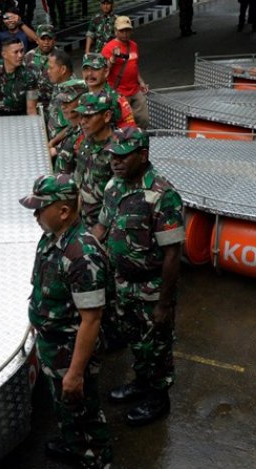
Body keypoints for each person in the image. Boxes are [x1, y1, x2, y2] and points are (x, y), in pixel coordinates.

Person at [20, 173, 112, 469]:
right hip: (52, 344)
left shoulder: (81, 254)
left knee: (83, 408)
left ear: (62, 211)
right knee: (64, 405)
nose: (35, 215)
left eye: (39, 209)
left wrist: (75, 372)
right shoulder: (52, 239)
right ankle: (73, 444)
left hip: (71, 350)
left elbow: (91, 319)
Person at [92, 127, 184, 427]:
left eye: (122, 156)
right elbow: (102, 228)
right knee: (135, 340)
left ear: (143, 156)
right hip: (122, 284)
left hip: (151, 287)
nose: (115, 162)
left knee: (156, 346)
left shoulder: (162, 195)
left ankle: (158, 399)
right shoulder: (113, 186)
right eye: (112, 156)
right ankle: (141, 383)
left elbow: (172, 253)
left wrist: (164, 304)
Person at [73, 93, 113, 230]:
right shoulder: (87, 142)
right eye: (82, 116)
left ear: (106, 116)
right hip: (82, 223)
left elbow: (117, 200)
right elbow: (78, 182)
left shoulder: (118, 151)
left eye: (89, 116)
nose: (83, 121)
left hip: (103, 229)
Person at [101, 17, 150, 128]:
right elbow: (103, 72)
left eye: (127, 30)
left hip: (135, 90)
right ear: (115, 31)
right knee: (123, 123)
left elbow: (134, 66)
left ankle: (139, 141)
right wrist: (113, 58)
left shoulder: (134, 46)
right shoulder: (108, 48)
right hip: (119, 93)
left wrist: (141, 82)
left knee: (143, 120)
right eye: (122, 31)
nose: (125, 34)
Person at [0, 38, 39, 117]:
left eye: (21, 51)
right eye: (15, 52)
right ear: (4, 54)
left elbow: (31, 109)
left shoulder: (30, 75)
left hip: (20, 117)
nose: (20, 55)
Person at [82, 53, 135, 129]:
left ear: (106, 72)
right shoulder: (79, 95)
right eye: (86, 69)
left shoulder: (117, 100)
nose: (89, 73)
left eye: (95, 69)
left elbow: (130, 130)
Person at [48, 79, 87, 173]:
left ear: (82, 100)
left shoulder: (86, 133)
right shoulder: (75, 125)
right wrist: (52, 144)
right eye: (62, 101)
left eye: (67, 101)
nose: (63, 106)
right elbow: (69, 129)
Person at [46, 48, 77, 139]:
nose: (48, 71)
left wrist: (52, 143)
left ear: (63, 69)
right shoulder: (59, 83)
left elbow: (73, 125)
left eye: (51, 68)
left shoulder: (73, 91)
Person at [24, 25, 57, 110]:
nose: (46, 42)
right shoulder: (29, 56)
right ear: (37, 40)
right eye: (43, 39)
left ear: (54, 40)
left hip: (53, 104)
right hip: (33, 104)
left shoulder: (60, 57)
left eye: (49, 39)